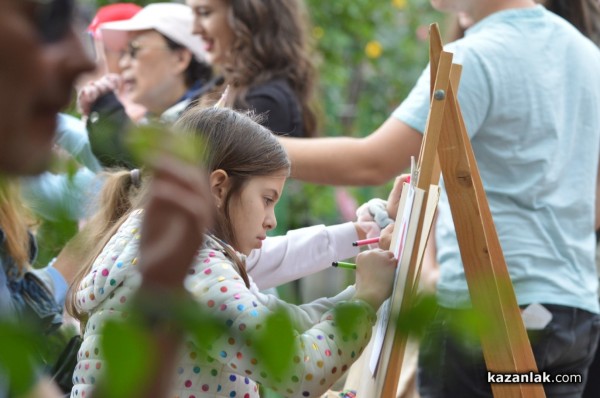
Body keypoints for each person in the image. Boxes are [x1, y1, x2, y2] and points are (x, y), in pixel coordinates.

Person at [278, 1, 600, 396]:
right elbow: (594, 207)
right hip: (571, 318)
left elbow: (372, 162)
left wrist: (238, 143)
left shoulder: (471, 58)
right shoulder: (588, 56)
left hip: (484, 316)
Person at [68, 106, 397, 398]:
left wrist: (361, 292)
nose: (272, 220)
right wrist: (365, 302)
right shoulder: (192, 267)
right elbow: (297, 371)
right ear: (219, 187)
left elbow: (284, 323)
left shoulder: (159, 243)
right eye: (267, 200)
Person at [79, 2, 215, 169]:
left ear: (180, 59)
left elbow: (153, 177)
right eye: (123, 53)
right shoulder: (152, 123)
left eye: (135, 50)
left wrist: (109, 114)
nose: (123, 63)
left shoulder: (214, 126)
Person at [188, 0, 317, 138]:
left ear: (247, 17)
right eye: (192, 14)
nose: (194, 29)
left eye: (204, 13)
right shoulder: (223, 84)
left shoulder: (265, 101)